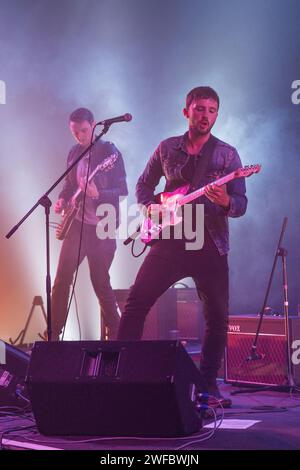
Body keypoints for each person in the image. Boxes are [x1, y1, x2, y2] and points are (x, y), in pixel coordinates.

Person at [117, 87, 247, 406]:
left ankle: (207, 386)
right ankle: (119, 375)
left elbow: (242, 203)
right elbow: (144, 184)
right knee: (136, 304)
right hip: (171, 239)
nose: (206, 115)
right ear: (186, 111)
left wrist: (227, 200)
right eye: (200, 109)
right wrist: (150, 207)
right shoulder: (166, 148)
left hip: (210, 242)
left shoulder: (227, 155)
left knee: (217, 315)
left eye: (212, 110)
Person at [51, 107, 128, 341]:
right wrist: (63, 199)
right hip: (77, 225)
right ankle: (53, 335)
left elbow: (122, 191)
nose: (80, 137)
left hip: (102, 227)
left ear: (94, 125)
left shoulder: (109, 153)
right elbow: (69, 184)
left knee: (100, 283)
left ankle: (117, 336)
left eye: (84, 131)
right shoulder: (74, 153)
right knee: (61, 280)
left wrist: (99, 193)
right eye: (75, 133)